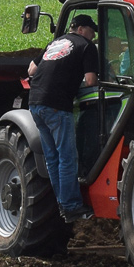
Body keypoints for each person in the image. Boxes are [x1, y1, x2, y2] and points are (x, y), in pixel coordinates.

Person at [27, 13, 99, 222]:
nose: (93, 37)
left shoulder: (56, 42)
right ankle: (71, 206)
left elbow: (31, 69)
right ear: (82, 29)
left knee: (53, 159)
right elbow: (91, 81)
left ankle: (63, 204)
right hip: (57, 106)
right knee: (68, 158)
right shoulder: (87, 47)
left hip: (35, 103)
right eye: (92, 32)